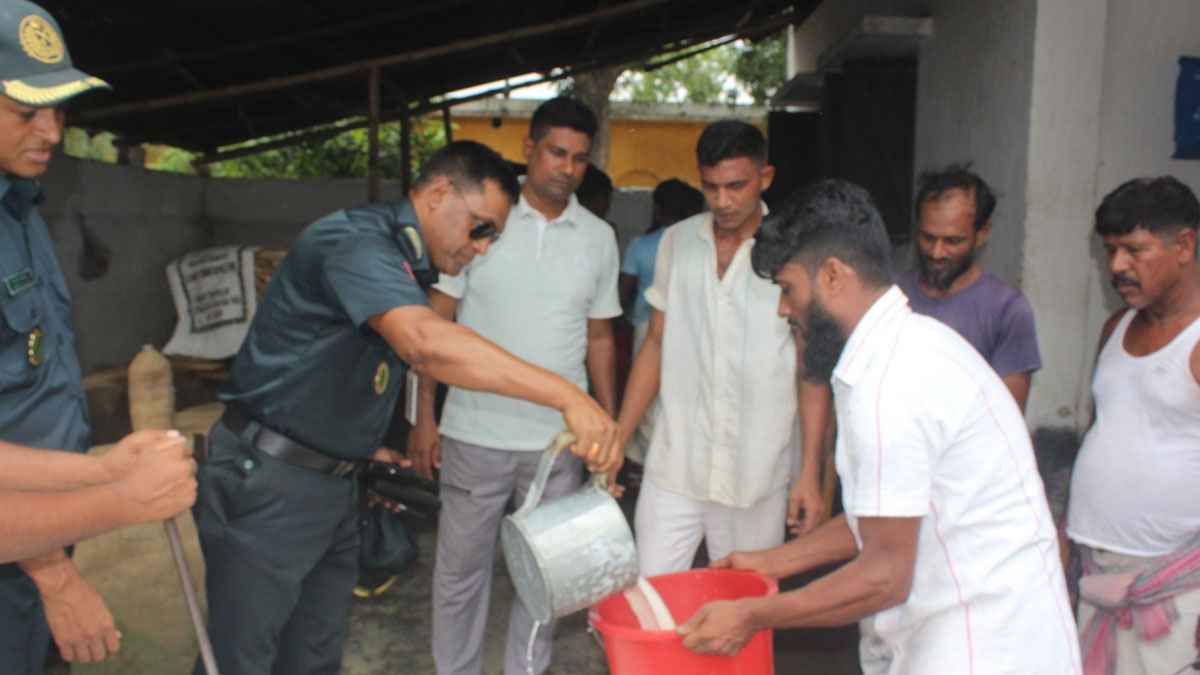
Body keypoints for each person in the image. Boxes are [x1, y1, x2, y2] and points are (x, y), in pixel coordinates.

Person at [191, 139, 620, 675]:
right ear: (439, 193)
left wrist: (362, 447)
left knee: (313, 654)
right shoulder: (355, 241)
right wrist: (566, 395)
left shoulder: (404, 260)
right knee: (243, 659)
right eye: (481, 227)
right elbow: (424, 343)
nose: (482, 247)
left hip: (329, 485)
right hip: (270, 483)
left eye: (494, 236)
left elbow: (326, 363)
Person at [676, 179, 1081, 674]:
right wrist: (774, 562)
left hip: (983, 647)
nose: (784, 309)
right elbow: (884, 511)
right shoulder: (899, 349)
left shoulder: (891, 383)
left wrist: (752, 615)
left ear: (831, 276)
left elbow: (884, 575)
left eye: (787, 290)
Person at [0, 1, 196, 670]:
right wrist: (56, 570)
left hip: (39, 523)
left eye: (59, 110)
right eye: (28, 111)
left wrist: (99, 470)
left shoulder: (20, 207)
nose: (51, 131)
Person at [409, 98, 621, 675]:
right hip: (474, 431)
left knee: (548, 578)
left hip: (557, 446)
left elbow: (600, 339)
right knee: (460, 574)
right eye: (557, 152)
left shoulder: (599, 237)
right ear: (529, 149)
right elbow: (434, 325)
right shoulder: (483, 218)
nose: (567, 168)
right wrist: (424, 416)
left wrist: (609, 425)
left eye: (579, 158)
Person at [616, 120, 827, 578]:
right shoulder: (677, 241)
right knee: (652, 597)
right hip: (676, 461)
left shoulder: (796, 250)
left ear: (765, 178)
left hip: (757, 468)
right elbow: (655, 341)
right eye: (710, 187)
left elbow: (810, 366)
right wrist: (620, 436)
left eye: (736, 186)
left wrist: (810, 472)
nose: (723, 201)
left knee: (743, 610)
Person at [1067, 176, 1200, 675]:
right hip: (1098, 577)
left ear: (1184, 244)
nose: (1117, 266)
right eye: (1110, 250)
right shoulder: (1115, 327)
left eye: (1134, 250)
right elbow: (1100, 433)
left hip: (1179, 594)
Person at [897, 164, 1041, 410]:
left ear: (982, 233)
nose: (937, 252)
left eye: (952, 241)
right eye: (928, 238)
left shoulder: (1007, 310)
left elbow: (1006, 422)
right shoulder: (891, 296)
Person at [617, 177, 704, 465]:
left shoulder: (642, 244)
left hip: (645, 327)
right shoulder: (699, 243)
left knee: (646, 399)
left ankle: (644, 460)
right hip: (692, 330)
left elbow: (625, 291)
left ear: (659, 208)